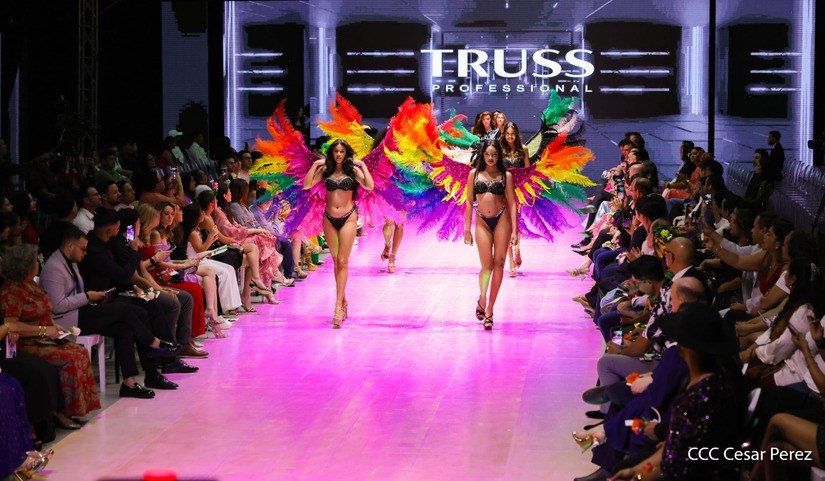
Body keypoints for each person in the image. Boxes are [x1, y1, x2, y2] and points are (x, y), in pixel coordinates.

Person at [40, 224, 180, 398]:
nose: (85, 253)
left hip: (80, 312)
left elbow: (75, 293)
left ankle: (130, 383)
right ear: (70, 246)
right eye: (83, 249)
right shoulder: (54, 268)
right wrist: (87, 296)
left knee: (125, 327)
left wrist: (93, 297)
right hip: (66, 320)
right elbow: (57, 306)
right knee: (123, 309)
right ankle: (153, 342)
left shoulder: (70, 261)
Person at [609, 303, 745, 480]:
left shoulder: (707, 392)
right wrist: (638, 470)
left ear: (687, 350)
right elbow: (678, 444)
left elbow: (682, 462)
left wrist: (639, 474)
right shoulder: (713, 378)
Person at [0, 244, 101, 420]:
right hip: (27, 342)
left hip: (45, 335)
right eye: (35, 262)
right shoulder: (11, 291)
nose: (38, 265)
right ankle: (61, 411)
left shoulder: (31, 284)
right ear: (25, 266)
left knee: (80, 352)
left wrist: (54, 326)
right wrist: (44, 330)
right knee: (71, 357)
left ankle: (72, 409)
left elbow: (44, 311)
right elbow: (12, 325)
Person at [302, 139, 374, 328]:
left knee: (343, 261)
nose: (339, 155)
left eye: (342, 151)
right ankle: (343, 300)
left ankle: (337, 307)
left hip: (348, 217)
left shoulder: (353, 171)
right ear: (332, 153)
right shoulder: (325, 171)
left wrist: (363, 165)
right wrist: (316, 165)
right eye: (336, 151)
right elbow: (306, 185)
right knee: (336, 262)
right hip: (329, 219)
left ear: (346, 153)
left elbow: (369, 185)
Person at [463, 139, 519, 330]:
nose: (491, 157)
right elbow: (468, 202)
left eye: (494, 154)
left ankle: (490, 310)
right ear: (482, 155)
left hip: (502, 219)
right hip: (482, 222)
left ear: (499, 156)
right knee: (486, 267)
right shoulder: (474, 174)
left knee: (499, 264)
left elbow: (513, 203)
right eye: (487, 154)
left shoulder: (506, 176)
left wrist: (515, 231)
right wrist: (466, 229)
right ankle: (482, 297)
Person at [500, 122, 530, 277]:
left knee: (516, 223)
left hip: (519, 192)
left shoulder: (524, 149)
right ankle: (511, 260)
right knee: (506, 226)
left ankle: (517, 249)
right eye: (507, 134)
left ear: (516, 134)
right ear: (504, 134)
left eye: (512, 134)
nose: (510, 136)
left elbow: (528, 172)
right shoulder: (500, 150)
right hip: (503, 192)